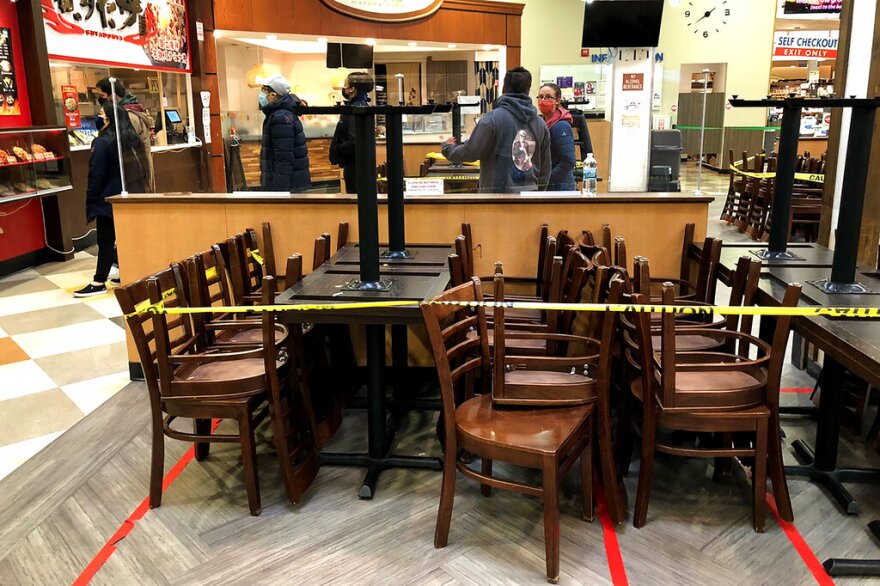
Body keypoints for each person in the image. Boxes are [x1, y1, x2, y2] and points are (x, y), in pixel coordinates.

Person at [74, 102, 148, 297]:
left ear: (108, 119)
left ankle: (98, 281)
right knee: (125, 238)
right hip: (131, 194)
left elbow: (96, 173)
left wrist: (91, 199)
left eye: (101, 114)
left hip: (108, 197)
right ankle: (128, 272)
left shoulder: (103, 141)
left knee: (105, 240)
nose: (98, 118)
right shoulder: (132, 138)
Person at [441, 67, 550, 193]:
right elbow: (545, 168)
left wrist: (447, 148)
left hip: (495, 199)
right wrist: (538, 197)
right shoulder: (541, 124)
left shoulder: (491, 119)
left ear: (504, 88)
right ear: (528, 90)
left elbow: (470, 152)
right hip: (529, 198)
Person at [95, 78, 155, 192]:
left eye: (102, 95)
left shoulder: (129, 117)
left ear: (113, 95)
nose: (100, 99)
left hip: (133, 174)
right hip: (136, 172)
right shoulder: (127, 113)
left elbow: (127, 147)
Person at [258, 74, 311, 192]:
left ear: (273, 94)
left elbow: (283, 155)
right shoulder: (283, 113)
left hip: (288, 186)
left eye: (263, 90)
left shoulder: (280, 116)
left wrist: (279, 189)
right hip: (292, 183)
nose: (261, 94)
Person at [329, 72, 373, 194]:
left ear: (352, 89)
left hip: (354, 165)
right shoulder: (363, 106)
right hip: (360, 164)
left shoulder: (355, 110)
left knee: (355, 199)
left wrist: (336, 149)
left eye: (346, 85)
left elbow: (354, 142)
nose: (344, 88)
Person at [537, 83, 576, 191]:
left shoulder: (561, 125)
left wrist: (545, 180)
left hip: (560, 187)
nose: (543, 100)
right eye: (540, 97)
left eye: (548, 97)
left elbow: (568, 161)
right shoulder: (542, 123)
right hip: (549, 186)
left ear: (557, 100)